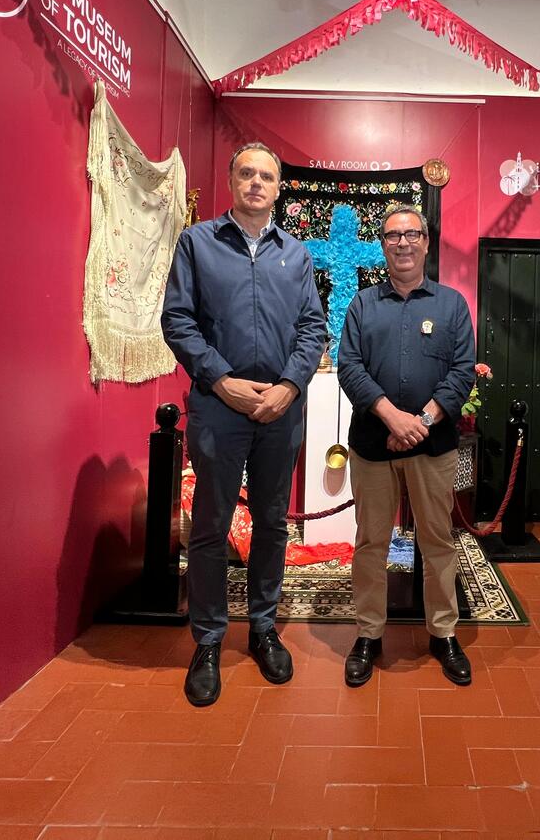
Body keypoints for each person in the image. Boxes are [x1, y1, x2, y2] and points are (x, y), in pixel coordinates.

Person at [161, 142, 325, 707]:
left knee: (273, 523)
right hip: (218, 406)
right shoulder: (197, 243)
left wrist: (289, 386)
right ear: (232, 181)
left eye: (267, 177)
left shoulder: (296, 255)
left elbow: (313, 328)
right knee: (210, 526)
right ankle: (208, 640)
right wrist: (221, 380)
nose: (256, 183)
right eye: (247, 174)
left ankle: (263, 627)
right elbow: (177, 320)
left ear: (278, 188)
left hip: (280, 411)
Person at [337, 205, 476, 687]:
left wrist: (421, 421)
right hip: (373, 444)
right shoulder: (362, 305)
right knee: (371, 542)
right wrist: (392, 416)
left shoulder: (451, 305)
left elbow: (462, 370)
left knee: (437, 541)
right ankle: (368, 634)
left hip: (432, 446)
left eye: (412, 234)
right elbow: (349, 366)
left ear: (426, 242)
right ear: (383, 245)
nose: (403, 243)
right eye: (393, 235)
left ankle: (443, 633)